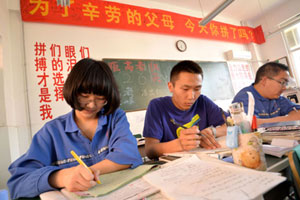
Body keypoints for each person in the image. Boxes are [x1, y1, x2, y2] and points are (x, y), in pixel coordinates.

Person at [7, 58, 143, 199]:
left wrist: (87, 172)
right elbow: (17, 183)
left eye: (100, 98)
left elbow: (128, 155)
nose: (91, 105)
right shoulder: (52, 131)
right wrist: (59, 177)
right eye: (84, 97)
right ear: (72, 91)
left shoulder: (115, 117)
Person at [143, 60, 227, 159]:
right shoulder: (157, 106)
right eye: (185, 89)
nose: (191, 96)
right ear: (171, 87)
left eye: (197, 89)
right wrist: (179, 144)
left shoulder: (203, 101)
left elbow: (232, 126)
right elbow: (150, 150)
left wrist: (212, 132)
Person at [232, 62, 300, 126]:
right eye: (282, 82)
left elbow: (298, 113)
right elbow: (248, 124)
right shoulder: (244, 98)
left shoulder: (277, 98)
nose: (285, 88)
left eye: (286, 84)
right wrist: (288, 119)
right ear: (264, 81)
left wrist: (263, 122)